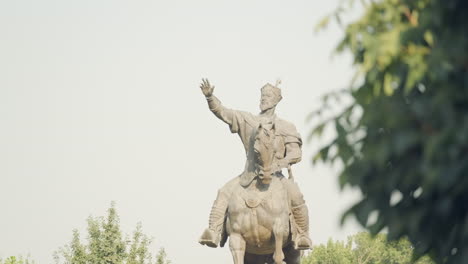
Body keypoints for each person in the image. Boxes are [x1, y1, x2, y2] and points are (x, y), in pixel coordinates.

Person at [198, 78, 312, 250]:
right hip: (249, 176)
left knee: (296, 195)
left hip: (276, 176)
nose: (263, 99)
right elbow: (223, 112)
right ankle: (214, 231)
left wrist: (280, 163)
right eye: (262, 96)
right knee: (224, 192)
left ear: (276, 100)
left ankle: (302, 235)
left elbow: (296, 153)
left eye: (268, 96)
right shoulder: (247, 120)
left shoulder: (286, 126)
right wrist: (210, 98)